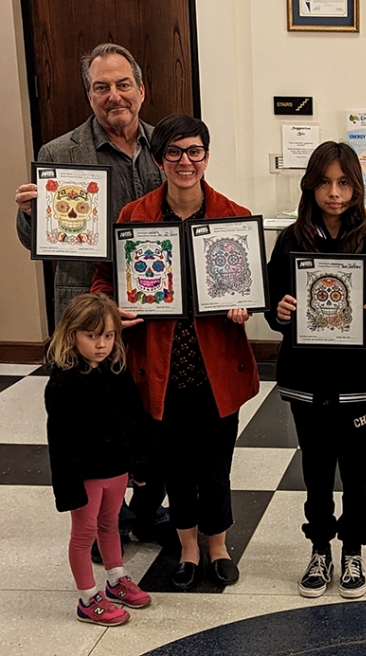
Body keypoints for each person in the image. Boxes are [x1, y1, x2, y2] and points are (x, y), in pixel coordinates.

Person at [12, 42, 168, 555]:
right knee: (95, 420)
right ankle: (106, 524)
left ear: (141, 90)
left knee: (152, 413)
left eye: (123, 84)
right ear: (89, 95)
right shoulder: (59, 154)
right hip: (86, 312)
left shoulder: (166, 146)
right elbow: (34, 240)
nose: (114, 95)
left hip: (153, 305)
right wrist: (31, 215)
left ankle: (148, 510)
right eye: (102, 87)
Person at [91, 114, 259, 591]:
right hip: (160, 365)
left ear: (207, 156)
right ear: (158, 158)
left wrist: (244, 304)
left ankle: (218, 544)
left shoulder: (233, 216)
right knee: (177, 467)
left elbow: (249, 283)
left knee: (216, 466)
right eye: (174, 152)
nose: (186, 162)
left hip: (216, 365)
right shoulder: (133, 217)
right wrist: (112, 307)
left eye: (195, 151)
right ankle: (188, 547)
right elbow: (105, 279)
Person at [266, 141, 366, 599]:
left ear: (357, 187)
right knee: (316, 468)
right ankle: (320, 547)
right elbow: (271, 305)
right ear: (310, 185)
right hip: (307, 379)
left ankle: (353, 549)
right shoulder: (290, 240)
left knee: (357, 471)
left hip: (357, 381)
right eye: (325, 182)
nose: (334, 193)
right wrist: (280, 312)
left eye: (344, 183)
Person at [45, 293, 154, 626]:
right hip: (86, 474)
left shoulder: (115, 370)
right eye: (91, 336)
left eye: (108, 335)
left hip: (116, 468)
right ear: (72, 334)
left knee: (110, 525)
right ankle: (88, 597)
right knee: (84, 533)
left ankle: (116, 578)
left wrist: (137, 462)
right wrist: (69, 488)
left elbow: (131, 420)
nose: (101, 344)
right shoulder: (63, 382)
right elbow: (60, 441)